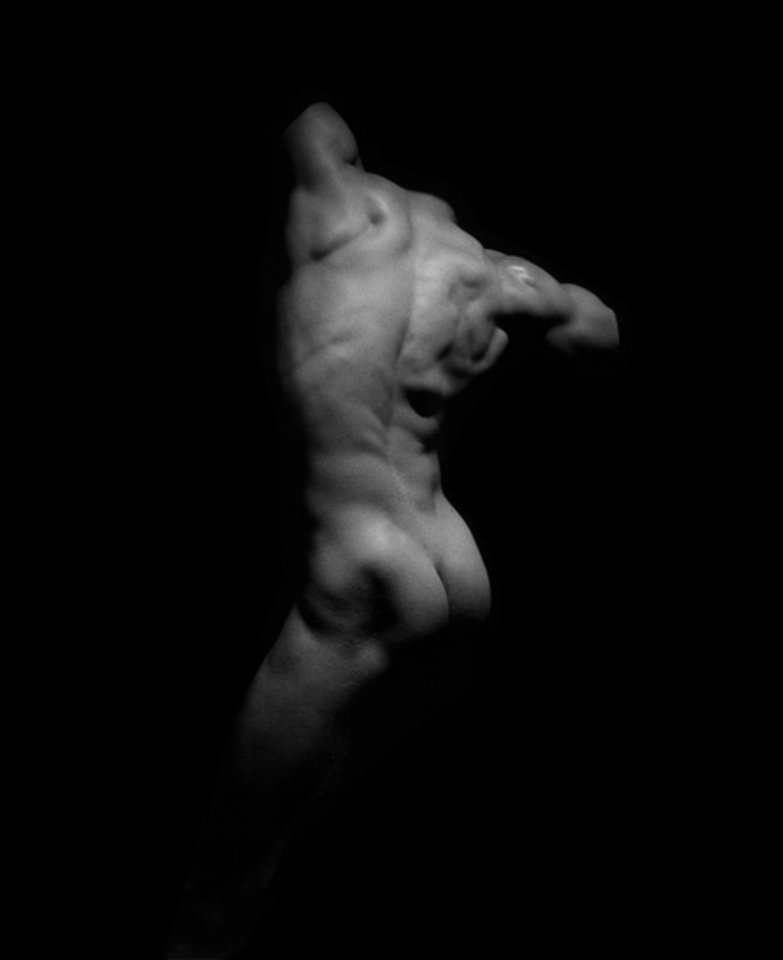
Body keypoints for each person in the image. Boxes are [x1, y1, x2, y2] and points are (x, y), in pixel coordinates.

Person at [165, 101, 619, 958]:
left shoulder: (340, 210)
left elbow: (301, 121)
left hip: (361, 561)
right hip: (453, 561)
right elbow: (600, 335)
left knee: (217, 884)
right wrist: (518, 293)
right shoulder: (488, 272)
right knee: (306, 832)